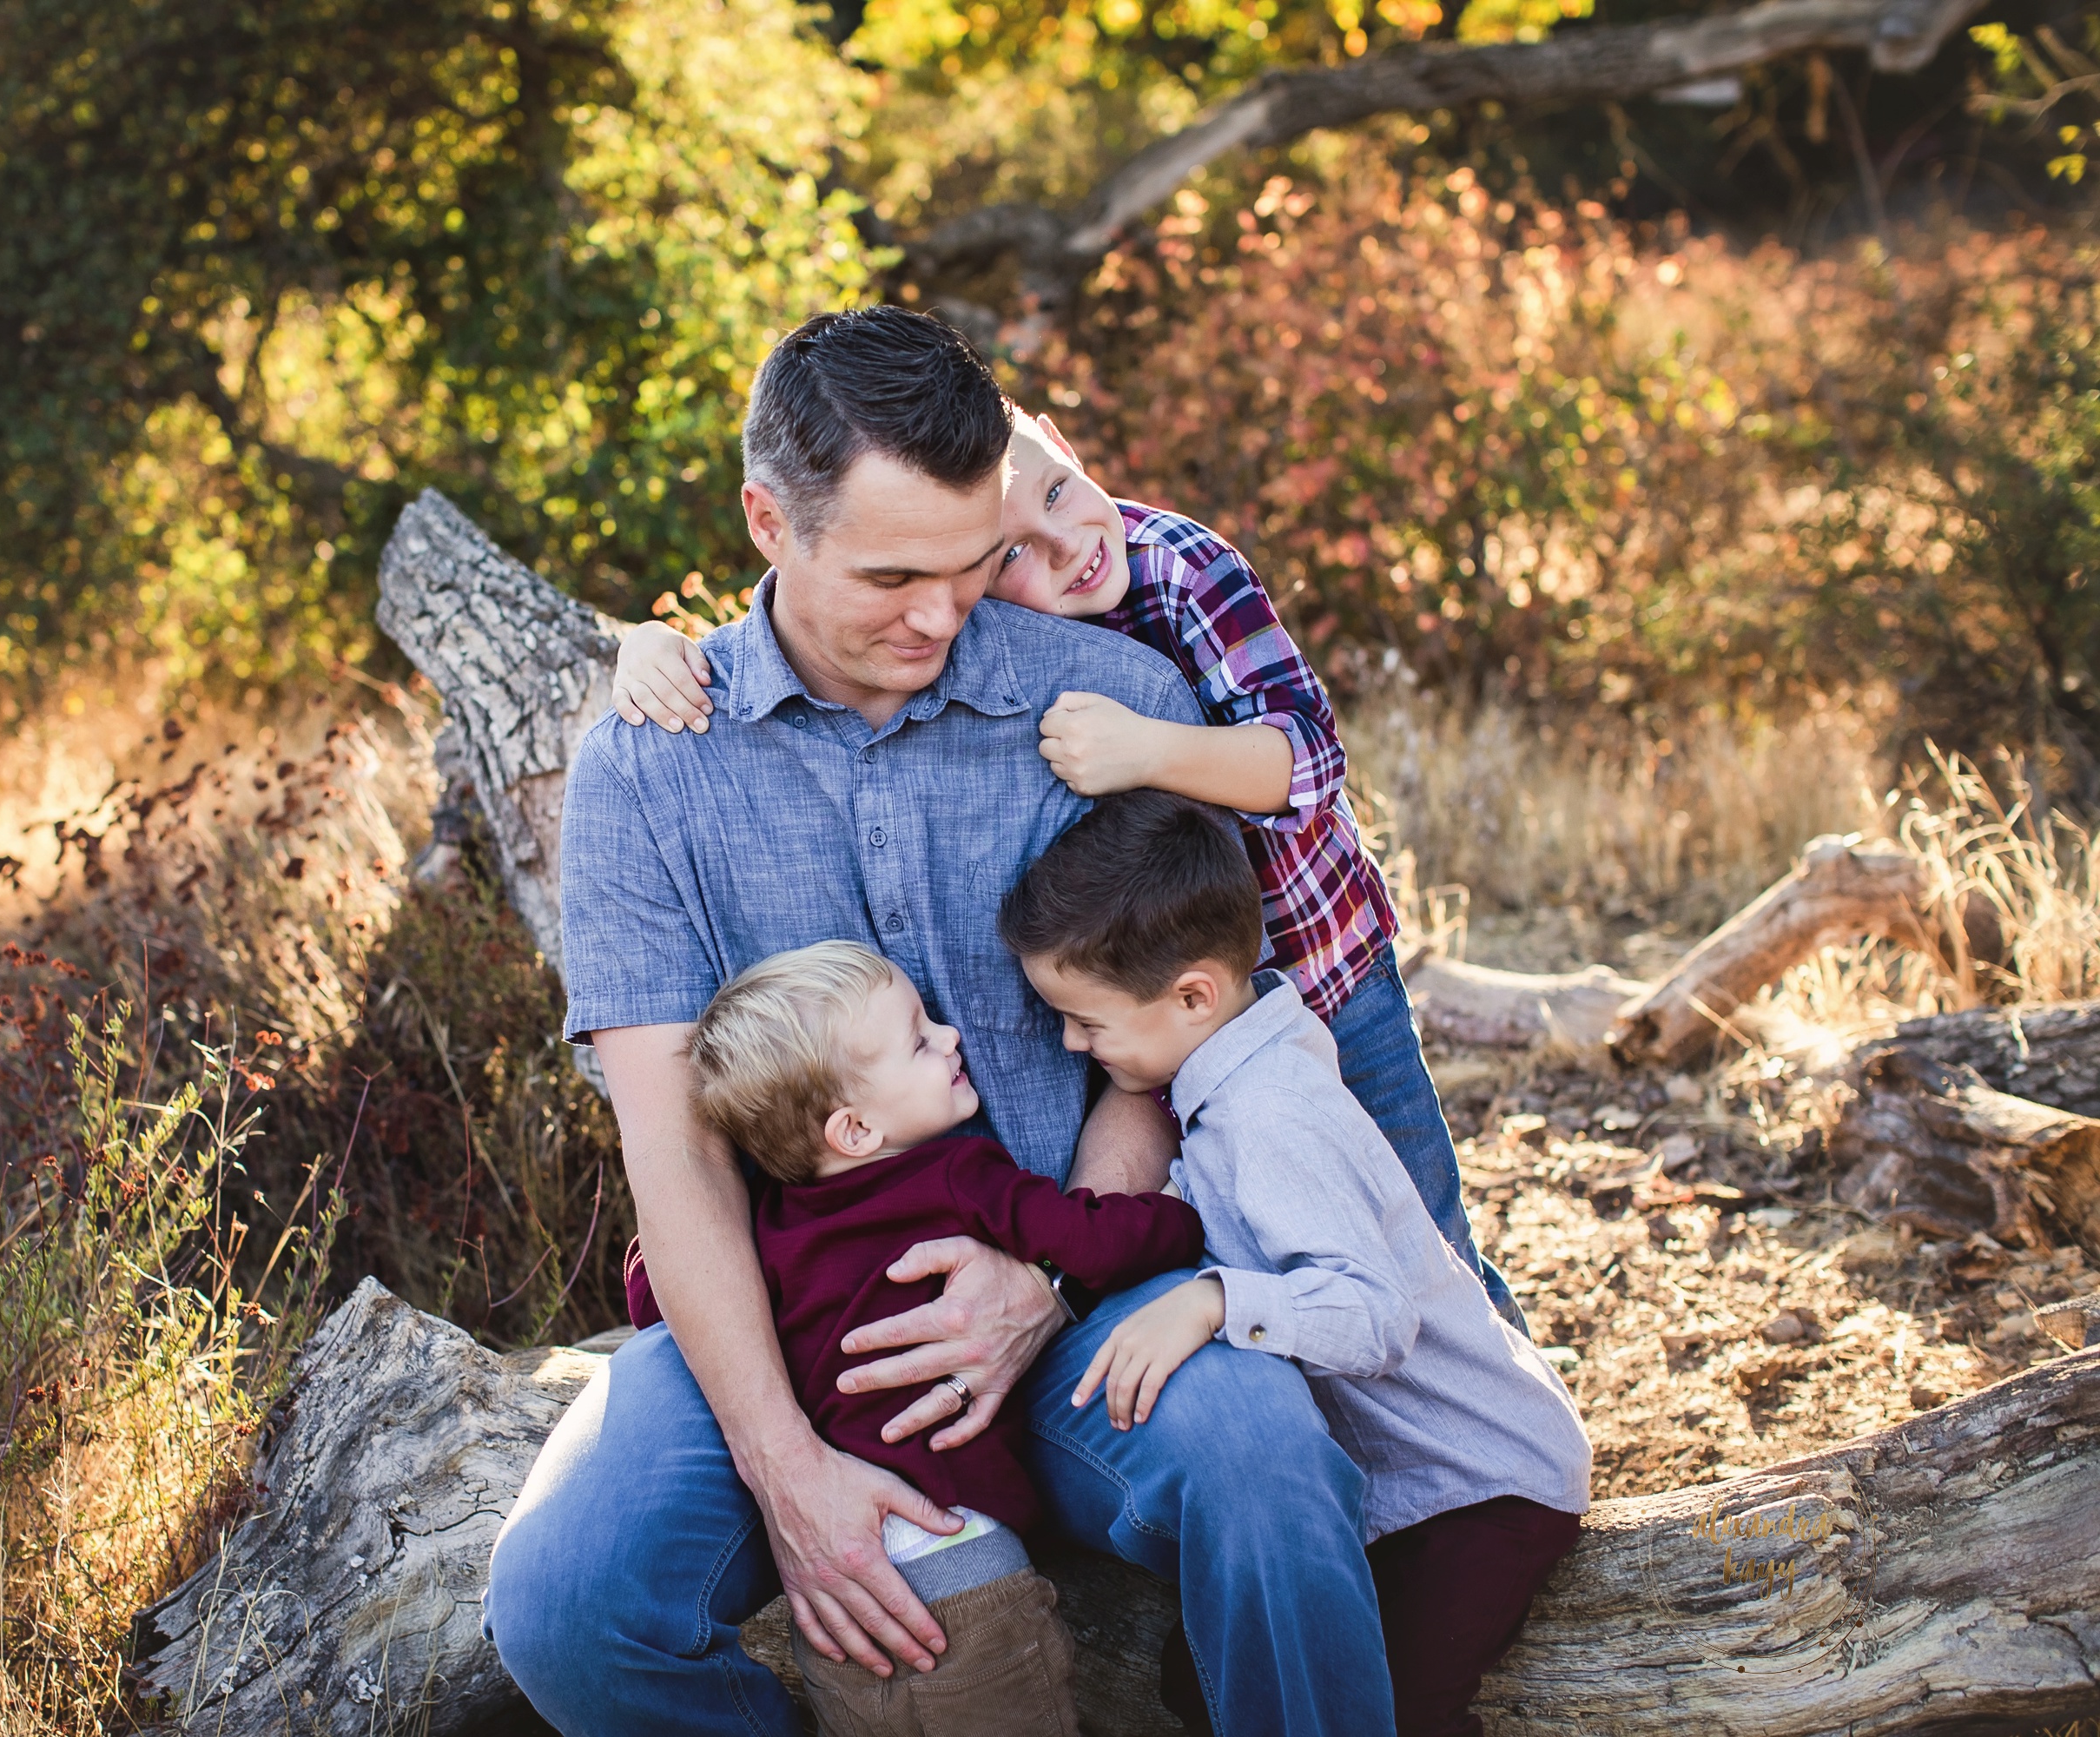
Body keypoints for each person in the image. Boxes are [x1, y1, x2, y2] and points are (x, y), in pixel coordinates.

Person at [485, 304, 1393, 1737]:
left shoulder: (1107, 698)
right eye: (892, 575)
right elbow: (677, 1162)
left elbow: (1159, 1051)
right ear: (767, 522)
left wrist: (1044, 1287)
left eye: (973, 569)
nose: (940, 617)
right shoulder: (651, 774)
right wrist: (789, 1474)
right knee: (567, 1607)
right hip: (801, 1325)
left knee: (1268, 1467)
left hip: (1088, 1284)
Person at [610, 407, 1522, 1330]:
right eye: (1007, 556)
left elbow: (1311, 761)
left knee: (1418, 1226)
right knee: (1273, 1230)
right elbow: (830, 581)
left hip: (1320, 970)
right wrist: (650, 643)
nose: (1064, 547)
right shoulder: (962, 611)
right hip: (1157, 1017)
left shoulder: (1176, 565)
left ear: (1069, 445)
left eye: (1059, 491)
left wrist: (1150, 748)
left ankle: (1501, 1423)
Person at [1001, 789, 1594, 1737]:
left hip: (1482, 1483)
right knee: (1211, 1681)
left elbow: (1374, 1316)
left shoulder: (1269, 1113)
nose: (1072, 1042)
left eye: (1086, 1020)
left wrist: (1209, 1300)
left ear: (1193, 993)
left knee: (1400, 1706)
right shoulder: (1226, 1070)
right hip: (1416, 1481)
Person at [642, 938, 1207, 1736]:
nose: (950, 1037)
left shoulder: (766, 1227)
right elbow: (1094, 1240)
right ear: (856, 1128)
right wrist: (1188, 1220)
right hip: (960, 1559)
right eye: (919, 1038)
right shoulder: (957, 1177)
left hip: (838, 1587)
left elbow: (651, 1289)